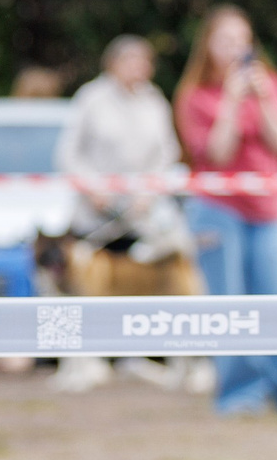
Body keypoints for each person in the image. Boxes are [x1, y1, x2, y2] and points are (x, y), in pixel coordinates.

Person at [174, 6, 277, 416]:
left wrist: (262, 99)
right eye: (226, 41)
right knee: (229, 307)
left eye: (242, 40)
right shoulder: (195, 95)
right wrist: (230, 100)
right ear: (207, 45)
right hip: (217, 209)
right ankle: (239, 394)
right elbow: (216, 153)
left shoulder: (272, 84)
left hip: (270, 208)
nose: (235, 49)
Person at [55, 36, 203, 392]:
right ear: (113, 63)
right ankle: (80, 363)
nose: (138, 69)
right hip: (96, 217)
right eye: (131, 61)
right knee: (81, 290)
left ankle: (175, 361)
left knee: (167, 281)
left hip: (142, 216)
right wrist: (92, 189)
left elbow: (167, 155)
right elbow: (68, 154)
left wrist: (148, 192)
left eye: (143, 61)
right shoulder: (91, 99)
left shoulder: (154, 101)